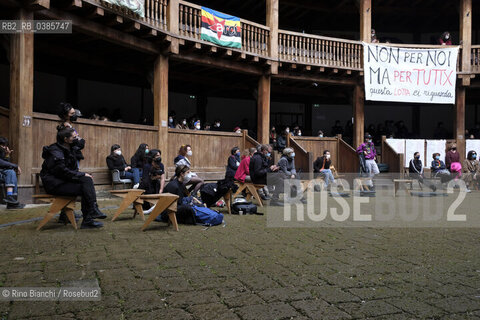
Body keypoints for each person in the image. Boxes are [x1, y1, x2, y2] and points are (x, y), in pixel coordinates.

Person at [40, 127, 106, 228]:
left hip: (64, 181)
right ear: (66, 139)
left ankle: (92, 212)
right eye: (74, 137)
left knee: (87, 180)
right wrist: (81, 174)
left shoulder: (70, 149)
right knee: (85, 187)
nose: (77, 139)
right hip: (54, 184)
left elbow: (73, 170)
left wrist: (83, 175)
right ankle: (89, 216)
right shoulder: (55, 151)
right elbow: (62, 171)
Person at [0, 137, 25, 209]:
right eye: (2, 145)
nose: (4, 147)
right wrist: (15, 166)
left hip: (2, 173)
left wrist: (7, 155)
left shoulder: (2, 152)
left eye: (5, 146)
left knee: (11, 172)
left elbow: (6, 164)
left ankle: (12, 200)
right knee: (11, 172)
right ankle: (11, 200)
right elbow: (1, 163)